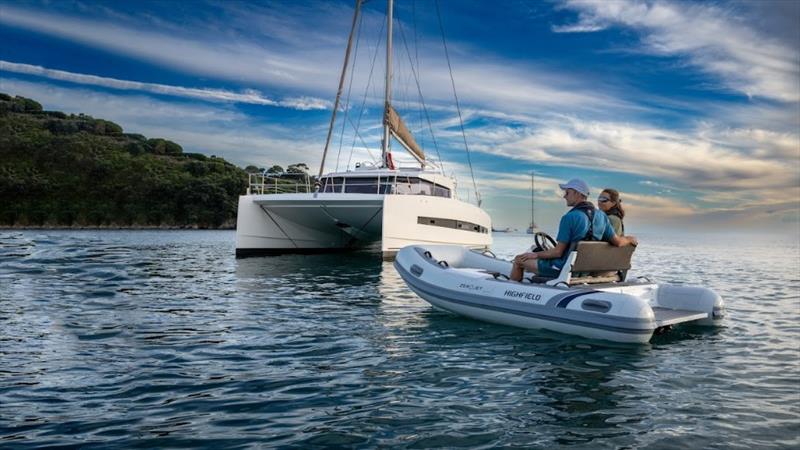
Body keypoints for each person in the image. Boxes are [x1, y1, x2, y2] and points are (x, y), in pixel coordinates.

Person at [510, 178, 638, 281]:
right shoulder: (602, 216)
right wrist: (629, 239)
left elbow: (557, 253)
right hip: (587, 269)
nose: (564, 196)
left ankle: (512, 293)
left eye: (568, 192)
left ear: (577, 194)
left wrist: (535, 254)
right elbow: (618, 242)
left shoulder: (569, 217)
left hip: (564, 268)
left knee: (518, 260)